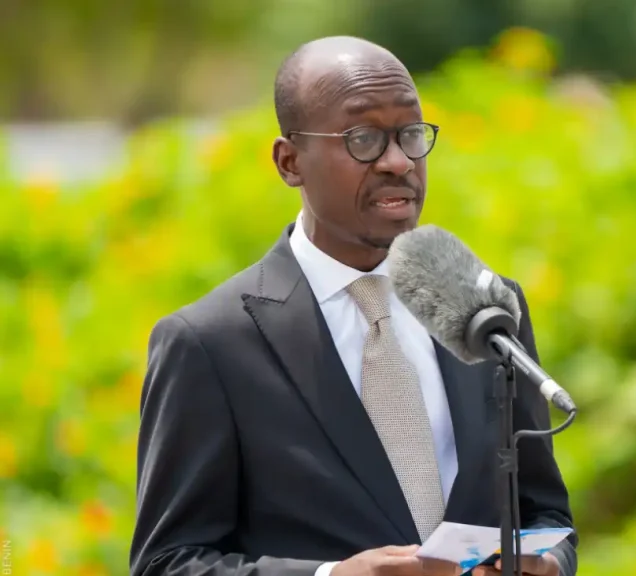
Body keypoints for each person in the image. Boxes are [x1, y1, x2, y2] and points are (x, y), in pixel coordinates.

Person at [129, 36, 577, 576]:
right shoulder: (208, 343)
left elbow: (544, 513)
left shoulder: (485, 310)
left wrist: (550, 562)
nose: (397, 161)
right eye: (363, 138)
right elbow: (167, 563)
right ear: (290, 161)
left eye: (411, 134)